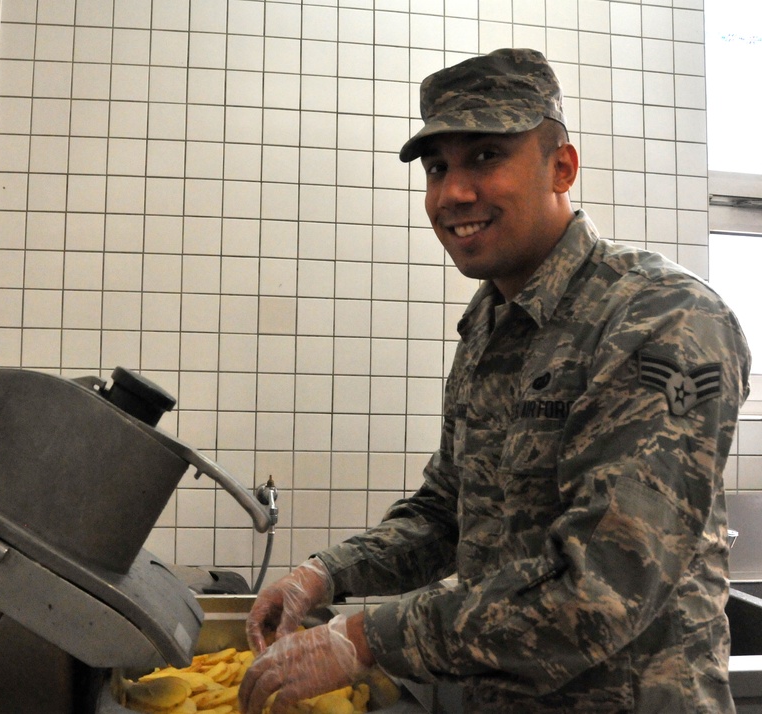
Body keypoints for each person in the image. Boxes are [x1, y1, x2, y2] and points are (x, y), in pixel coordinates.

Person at [238, 48, 752, 714]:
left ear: (561, 167)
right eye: (437, 167)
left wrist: (363, 639)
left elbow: (599, 591)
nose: (452, 193)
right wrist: (327, 573)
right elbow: (447, 512)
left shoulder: (660, 319)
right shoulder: (491, 324)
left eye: (485, 156)